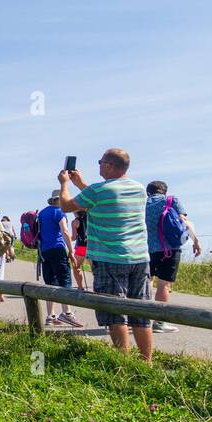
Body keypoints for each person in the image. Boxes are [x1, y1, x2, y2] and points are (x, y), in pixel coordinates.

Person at [59, 149, 152, 362]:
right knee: (141, 312)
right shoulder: (138, 189)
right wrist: (81, 184)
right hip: (139, 258)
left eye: (101, 162)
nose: (99, 165)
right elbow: (106, 197)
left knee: (114, 312)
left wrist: (64, 183)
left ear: (109, 166)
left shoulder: (98, 191)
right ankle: (146, 362)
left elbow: (66, 205)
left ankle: (124, 362)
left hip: (110, 258)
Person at [144, 180, 202, 334]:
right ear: (164, 191)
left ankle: (139, 318)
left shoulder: (143, 204)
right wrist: (196, 241)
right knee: (164, 285)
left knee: (146, 282)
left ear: (148, 192)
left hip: (146, 250)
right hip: (169, 249)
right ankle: (159, 323)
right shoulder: (170, 200)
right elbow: (184, 221)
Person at [36, 190, 82, 327]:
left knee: (50, 282)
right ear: (59, 199)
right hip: (57, 248)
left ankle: (50, 316)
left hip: (44, 250)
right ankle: (66, 313)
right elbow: (65, 231)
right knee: (64, 280)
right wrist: (71, 251)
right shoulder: (59, 212)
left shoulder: (42, 213)